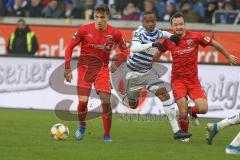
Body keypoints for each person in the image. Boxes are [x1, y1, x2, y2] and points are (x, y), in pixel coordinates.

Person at [111, 11, 191, 140]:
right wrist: (152, 44)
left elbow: (163, 33)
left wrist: (172, 36)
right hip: (133, 74)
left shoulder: (156, 32)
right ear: (142, 22)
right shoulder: (138, 32)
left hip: (148, 73)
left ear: (155, 21)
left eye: (152, 21)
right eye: (147, 21)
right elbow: (135, 48)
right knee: (133, 105)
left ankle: (177, 131)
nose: (150, 24)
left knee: (165, 95)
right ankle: (115, 93)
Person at [159, 12, 238, 141]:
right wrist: (148, 65)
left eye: (181, 24)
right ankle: (185, 136)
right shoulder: (168, 41)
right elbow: (158, 53)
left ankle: (192, 111)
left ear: (184, 24)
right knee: (182, 110)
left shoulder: (195, 37)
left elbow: (214, 43)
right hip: (177, 81)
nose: (179, 27)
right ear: (171, 27)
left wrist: (228, 55)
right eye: (176, 25)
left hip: (193, 81)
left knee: (203, 109)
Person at [64, 4, 128, 142]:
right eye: (97, 17)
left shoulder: (115, 33)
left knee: (106, 101)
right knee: (83, 103)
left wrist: (117, 64)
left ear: (108, 17)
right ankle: (82, 125)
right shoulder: (84, 30)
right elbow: (69, 47)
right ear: (94, 16)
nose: (99, 20)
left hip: (102, 70)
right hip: (84, 69)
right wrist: (67, 68)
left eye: (102, 17)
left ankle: (107, 135)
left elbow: (125, 51)